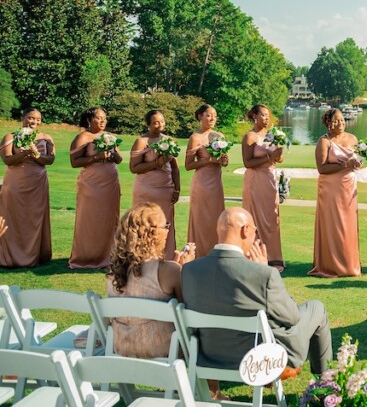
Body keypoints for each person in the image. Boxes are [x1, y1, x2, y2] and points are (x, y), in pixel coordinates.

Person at [181, 208, 332, 380]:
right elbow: (292, 317)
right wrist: (265, 269)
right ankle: (326, 382)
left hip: (208, 357)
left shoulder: (189, 270)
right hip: (258, 361)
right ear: (245, 230)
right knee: (316, 308)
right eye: (254, 231)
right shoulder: (263, 275)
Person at [106, 203, 196, 358]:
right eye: (165, 225)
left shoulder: (113, 273)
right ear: (153, 233)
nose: (168, 229)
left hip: (122, 348)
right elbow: (187, 313)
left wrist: (175, 266)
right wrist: (186, 270)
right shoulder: (169, 271)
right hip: (165, 349)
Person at [309, 107, 363, 278]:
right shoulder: (324, 142)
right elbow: (321, 168)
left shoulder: (353, 138)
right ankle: (329, 265)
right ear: (328, 123)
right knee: (333, 224)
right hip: (330, 189)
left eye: (342, 120)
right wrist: (344, 165)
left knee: (348, 225)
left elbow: (360, 160)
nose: (340, 123)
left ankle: (348, 264)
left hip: (349, 187)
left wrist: (358, 164)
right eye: (336, 121)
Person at [69, 107, 123, 269]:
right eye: (99, 118)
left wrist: (113, 155)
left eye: (104, 118)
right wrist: (96, 157)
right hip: (92, 184)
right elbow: (74, 162)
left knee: (109, 219)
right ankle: (86, 257)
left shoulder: (109, 137)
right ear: (89, 120)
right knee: (90, 218)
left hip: (111, 183)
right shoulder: (83, 137)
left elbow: (119, 159)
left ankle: (108, 256)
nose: (103, 121)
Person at [0, 108, 54, 267]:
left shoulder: (46, 137)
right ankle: (11, 255)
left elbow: (50, 160)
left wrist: (36, 154)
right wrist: (25, 153)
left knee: (34, 217)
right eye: (31, 118)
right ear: (22, 117)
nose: (34, 122)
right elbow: (7, 160)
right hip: (16, 181)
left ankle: (34, 255)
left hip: (38, 182)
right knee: (14, 216)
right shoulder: (10, 136)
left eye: (38, 119)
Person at [130, 111, 181, 260]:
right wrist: (155, 163)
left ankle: (165, 256)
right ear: (148, 124)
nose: (160, 125)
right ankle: (142, 257)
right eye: (156, 122)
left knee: (164, 224)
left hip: (166, 190)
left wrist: (177, 188)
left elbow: (175, 168)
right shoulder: (141, 141)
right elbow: (134, 168)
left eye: (162, 121)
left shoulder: (168, 140)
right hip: (146, 189)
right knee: (143, 223)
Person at [241, 104, 286, 272]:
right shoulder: (250, 137)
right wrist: (269, 157)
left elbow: (279, 159)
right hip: (255, 180)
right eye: (263, 115)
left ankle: (273, 257)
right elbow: (247, 163)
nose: (267, 119)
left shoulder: (273, 135)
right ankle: (253, 255)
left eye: (268, 116)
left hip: (270, 179)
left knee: (271, 219)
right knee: (255, 217)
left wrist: (278, 154)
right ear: (255, 117)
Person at [185, 104, 228, 257]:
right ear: (200, 116)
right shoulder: (195, 138)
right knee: (201, 219)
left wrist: (223, 160)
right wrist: (209, 160)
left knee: (217, 219)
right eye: (208, 115)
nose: (212, 118)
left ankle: (215, 254)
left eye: (214, 116)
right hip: (202, 183)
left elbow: (224, 162)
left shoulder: (219, 137)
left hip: (216, 184)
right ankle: (199, 254)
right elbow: (188, 165)